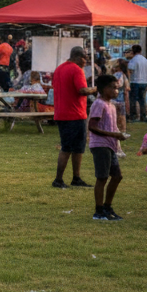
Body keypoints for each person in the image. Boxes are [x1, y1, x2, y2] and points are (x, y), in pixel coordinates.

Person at [52, 46, 97, 190]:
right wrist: (97, 89)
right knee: (68, 148)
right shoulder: (77, 70)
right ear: (78, 57)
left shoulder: (59, 68)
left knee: (78, 148)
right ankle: (59, 179)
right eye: (85, 58)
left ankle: (76, 178)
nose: (86, 61)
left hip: (61, 113)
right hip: (74, 114)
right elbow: (82, 90)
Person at [88, 75, 129, 223]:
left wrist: (117, 138)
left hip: (110, 145)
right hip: (100, 145)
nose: (116, 90)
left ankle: (107, 206)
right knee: (102, 177)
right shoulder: (99, 104)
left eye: (117, 87)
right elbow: (92, 126)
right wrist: (114, 134)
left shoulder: (111, 105)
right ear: (103, 89)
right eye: (113, 87)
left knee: (117, 176)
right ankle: (99, 211)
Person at [127, 44, 147, 122]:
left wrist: (128, 81)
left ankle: (133, 115)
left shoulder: (133, 60)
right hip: (144, 81)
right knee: (142, 99)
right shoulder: (145, 60)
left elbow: (130, 70)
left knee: (133, 99)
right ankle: (143, 115)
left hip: (135, 81)